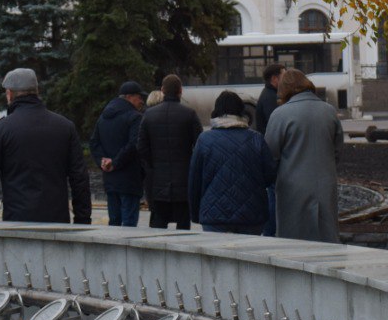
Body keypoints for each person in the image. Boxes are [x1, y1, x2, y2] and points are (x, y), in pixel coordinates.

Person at [0, 68, 91, 224]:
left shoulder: (1, 130)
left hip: (16, 221)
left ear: (9, 94)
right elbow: (79, 178)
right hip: (57, 220)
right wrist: (82, 221)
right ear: (37, 91)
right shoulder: (65, 127)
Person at [265, 68, 344, 242]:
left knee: (294, 241)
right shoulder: (329, 111)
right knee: (326, 237)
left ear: (284, 89)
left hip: (291, 189)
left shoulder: (280, 115)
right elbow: (337, 150)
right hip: (325, 184)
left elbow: (270, 156)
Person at [188, 90, 277, 234]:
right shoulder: (256, 139)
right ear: (241, 112)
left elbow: (194, 181)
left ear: (216, 111)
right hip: (251, 216)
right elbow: (270, 176)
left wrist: (195, 214)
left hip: (214, 216)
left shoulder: (204, 140)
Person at [137, 74, 202, 229]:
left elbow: (141, 147)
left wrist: (153, 165)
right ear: (180, 91)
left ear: (162, 90)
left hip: (158, 183)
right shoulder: (189, 115)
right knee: (183, 229)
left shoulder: (149, 115)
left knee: (157, 229)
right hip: (183, 182)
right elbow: (200, 146)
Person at [89, 80, 146, 227]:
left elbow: (94, 142)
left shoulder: (103, 117)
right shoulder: (135, 117)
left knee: (114, 223)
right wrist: (114, 163)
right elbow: (134, 145)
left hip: (110, 180)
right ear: (129, 97)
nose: (141, 101)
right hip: (130, 180)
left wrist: (103, 161)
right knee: (129, 226)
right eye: (139, 97)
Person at [254, 62, 284, 236]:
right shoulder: (271, 98)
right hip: (272, 155)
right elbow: (276, 127)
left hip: (269, 152)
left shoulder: (268, 95)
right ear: (274, 79)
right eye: (283, 75)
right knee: (273, 195)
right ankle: (271, 232)